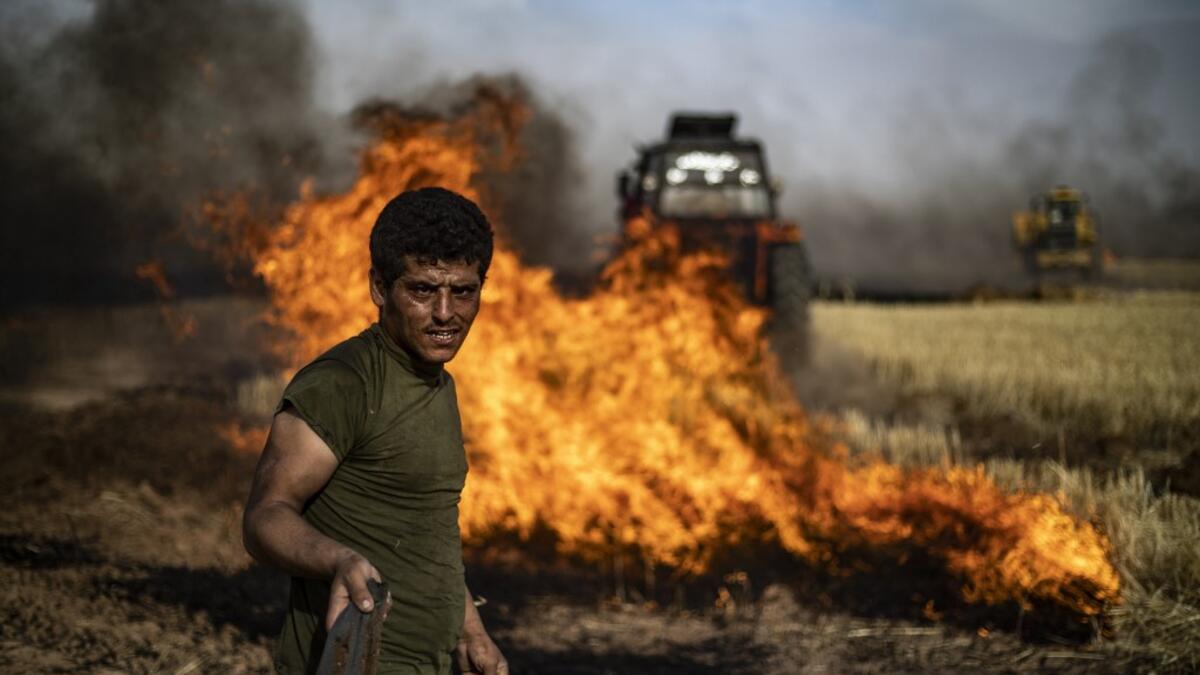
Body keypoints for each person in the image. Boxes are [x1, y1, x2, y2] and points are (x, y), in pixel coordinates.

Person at [243, 187, 508, 674]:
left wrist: (469, 629)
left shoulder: (436, 381)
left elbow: (425, 529)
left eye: (464, 291)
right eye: (423, 290)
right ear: (380, 288)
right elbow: (265, 517)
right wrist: (337, 560)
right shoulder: (343, 384)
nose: (446, 313)